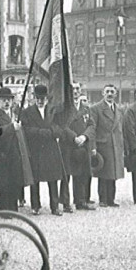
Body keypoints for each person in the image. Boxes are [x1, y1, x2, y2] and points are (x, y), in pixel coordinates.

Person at [20, 85, 64, 216]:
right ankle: (35, 205)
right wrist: (42, 132)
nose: (40, 100)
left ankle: (55, 206)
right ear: (34, 98)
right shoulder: (27, 112)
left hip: (51, 150)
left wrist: (51, 132)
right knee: (35, 179)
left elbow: (60, 128)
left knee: (53, 178)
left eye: (42, 98)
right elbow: (26, 130)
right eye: (38, 98)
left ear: (47, 98)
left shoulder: (53, 111)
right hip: (36, 149)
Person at [56, 82, 96, 211]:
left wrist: (84, 137)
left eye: (78, 89)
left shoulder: (86, 108)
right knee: (67, 174)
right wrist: (74, 137)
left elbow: (91, 125)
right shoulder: (64, 108)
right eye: (72, 89)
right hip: (68, 145)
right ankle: (65, 202)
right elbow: (62, 125)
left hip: (83, 145)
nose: (75, 91)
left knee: (82, 173)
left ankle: (81, 201)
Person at [0, 87, 26, 211]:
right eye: (3, 100)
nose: (6, 103)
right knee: (3, 183)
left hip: (14, 153)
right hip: (2, 154)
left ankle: (13, 208)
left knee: (14, 181)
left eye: (8, 100)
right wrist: (11, 127)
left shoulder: (14, 115)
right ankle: (4, 208)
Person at [90, 84, 125, 207]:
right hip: (103, 144)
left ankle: (111, 199)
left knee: (113, 173)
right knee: (104, 173)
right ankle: (103, 199)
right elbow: (92, 129)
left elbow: (120, 129)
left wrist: (122, 146)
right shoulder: (96, 108)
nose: (110, 94)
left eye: (112, 92)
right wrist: (93, 147)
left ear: (115, 94)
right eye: (107, 92)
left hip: (115, 144)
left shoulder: (119, 109)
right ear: (102, 93)